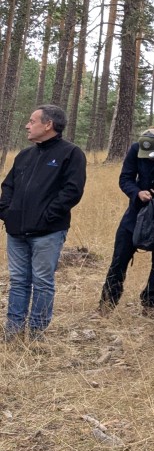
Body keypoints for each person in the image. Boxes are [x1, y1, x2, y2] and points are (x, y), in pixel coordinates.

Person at [1, 105, 86, 339]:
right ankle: (13, 329)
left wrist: (47, 217)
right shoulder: (25, 155)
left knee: (42, 281)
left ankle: (37, 332)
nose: (27, 125)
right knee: (18, 280)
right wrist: (7, 212)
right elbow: (8, 186)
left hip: (47, 232)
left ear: (48, 125)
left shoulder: (71, 153)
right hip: (16, 231)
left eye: (32, 121)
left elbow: (72, 191)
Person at [97, 127, 154, 316]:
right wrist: (137, 193)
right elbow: (125, 178)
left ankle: (150, 302)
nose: (150, 158)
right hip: (137, 212)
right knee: (119, 257)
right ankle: (107, 302)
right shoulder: (135, 149)